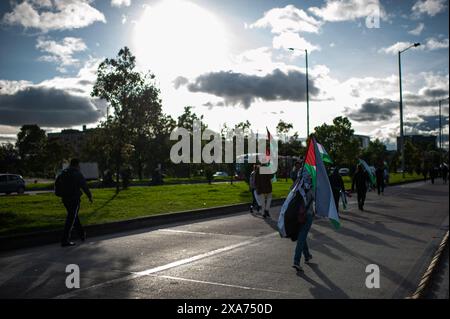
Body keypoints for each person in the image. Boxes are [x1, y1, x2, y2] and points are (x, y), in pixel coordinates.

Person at [59, 159, 93, 247]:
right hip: (74, 198)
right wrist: (89, 196)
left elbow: (58, 184)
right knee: (71, 218)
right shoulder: (77, 173)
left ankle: (81, 235)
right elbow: (84, 186)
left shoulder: (64, 172)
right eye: (79, 165)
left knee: (74, 216)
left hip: (65, 199)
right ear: (77, 165)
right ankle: (65, 240)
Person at [292, 171, 314, 272]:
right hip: (307, 215)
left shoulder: (296, 187)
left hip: (297, 215)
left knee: (302, 235)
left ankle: (307, 255)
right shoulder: (311, 187)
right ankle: (296, 261)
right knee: (302, 237)